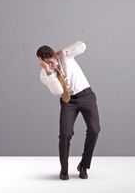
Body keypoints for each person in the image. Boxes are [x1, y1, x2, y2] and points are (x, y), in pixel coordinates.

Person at [36, 41, 100, 180]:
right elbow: (58, 91)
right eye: (48, 62)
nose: (52, 64)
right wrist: (49, 71)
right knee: (65, 133)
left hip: (86, 96)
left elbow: (83, 46)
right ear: (42, 62)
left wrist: (63, 52)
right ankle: (64, 169)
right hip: (68, 101)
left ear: (54, 55)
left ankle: (83, 165)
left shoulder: (66, 57)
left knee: (95, 130)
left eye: (52, 60)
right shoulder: (44, 75)